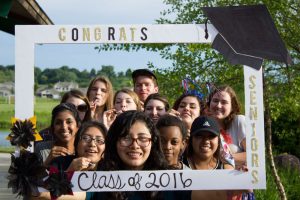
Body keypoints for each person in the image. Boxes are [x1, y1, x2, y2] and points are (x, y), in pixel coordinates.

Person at [88, 111, 190, 200]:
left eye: (143, 138)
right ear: (114, 141)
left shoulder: (172, 180)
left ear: (153, 142)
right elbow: (74, 195)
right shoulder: (98, 180)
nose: (135, 145)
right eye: (126, 138)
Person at [33, 121, 107, 200]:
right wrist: (70, 172)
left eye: (99, 140)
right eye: (86, 138)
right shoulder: (59, 163)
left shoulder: (110, 169)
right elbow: (41, 193)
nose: (92, 144)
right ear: (76, 143)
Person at [183, 116, 235, 200]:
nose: (206, 141)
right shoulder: (179, 166)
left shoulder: (226, 169)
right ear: (191, 140)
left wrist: (242, 178)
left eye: (211, 136)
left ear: (218, 141)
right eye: (199, 136)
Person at [207, 85, 246, 168]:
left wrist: (225, 157)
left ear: (232, 107)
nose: (218, 105)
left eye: (224, 102)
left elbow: (254, 156)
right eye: (215, 101)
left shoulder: (239, 121)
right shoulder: (205, 125)